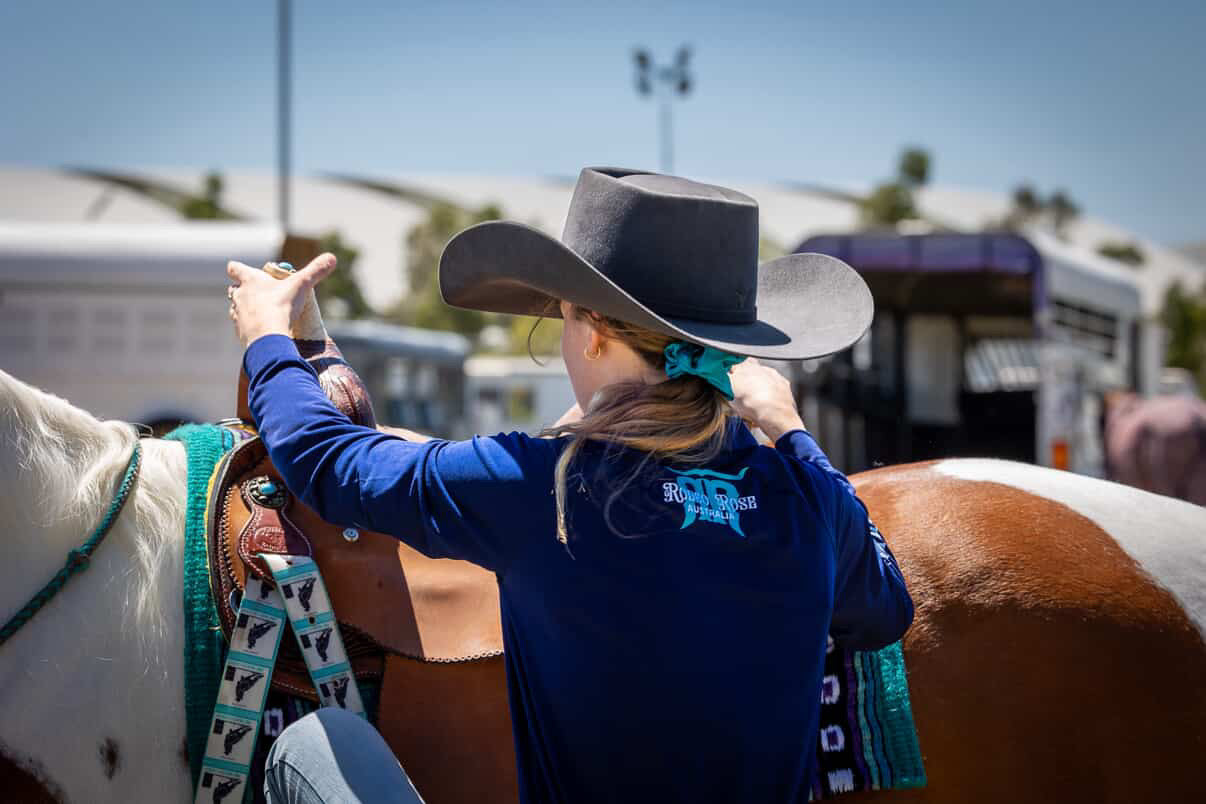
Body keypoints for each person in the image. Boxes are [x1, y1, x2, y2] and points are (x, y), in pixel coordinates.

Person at [226, 167, 914, 804]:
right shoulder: (809, 498)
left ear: (591, 335)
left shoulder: (542, 484)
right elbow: (885, 609)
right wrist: (792, 434)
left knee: (312, 745)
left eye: (564, 314)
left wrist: (267, 338)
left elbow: (327, 464)